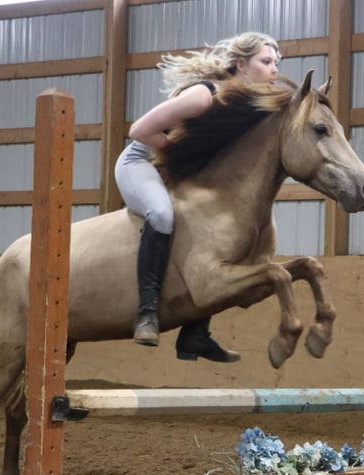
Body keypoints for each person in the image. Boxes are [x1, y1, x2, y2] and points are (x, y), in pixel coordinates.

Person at [114, 31, 281, 363]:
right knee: (162, 215)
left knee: (216, 233)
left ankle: (195, 334)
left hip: (180, 170)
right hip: (142, 162)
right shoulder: (204, 97)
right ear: (241, 64)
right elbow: (139, 131)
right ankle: (147, 313)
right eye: (266, 61)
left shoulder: (249, 106)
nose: (275, 69)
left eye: (277, 62)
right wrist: (182, 154)